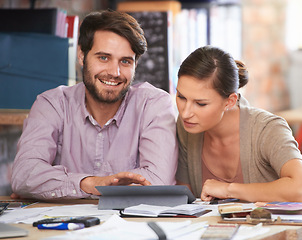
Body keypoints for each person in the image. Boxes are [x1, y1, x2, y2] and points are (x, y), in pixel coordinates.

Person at [11, 10, 178, 200]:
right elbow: (24, 174)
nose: (114, 72)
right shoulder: (52, 104)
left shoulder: (154, 105)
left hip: (134, 226)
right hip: (63, 227)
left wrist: (52, 186)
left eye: (125, 61)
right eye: (103, 58)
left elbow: (158, 181)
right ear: (82, 55)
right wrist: (90, 183)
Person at [175, 46, 302, 203]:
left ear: (230, 101)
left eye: (200, 104)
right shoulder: (187, 128)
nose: (185, 113)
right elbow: (185, 203)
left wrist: (228, 190)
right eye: (181, 97)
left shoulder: (267, 129)